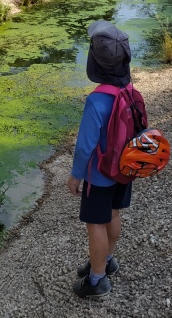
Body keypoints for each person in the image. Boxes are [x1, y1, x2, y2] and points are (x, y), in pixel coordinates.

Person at [67, 19, 133, 298]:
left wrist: (76, 174)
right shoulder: (129, 90)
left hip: (100, 175)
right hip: (124, 168)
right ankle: (106, 260)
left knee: (95, 223)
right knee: (113, 214)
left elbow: (85, 146)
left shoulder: (96, 100)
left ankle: (96, 281)